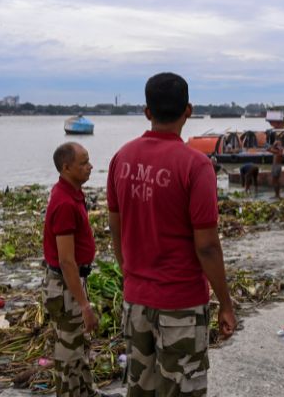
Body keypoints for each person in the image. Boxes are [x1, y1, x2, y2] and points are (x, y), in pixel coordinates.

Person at [107, 72, 236, 396]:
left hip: (135, 302)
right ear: (188, 111)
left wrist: (130, 274)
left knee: (141, 389)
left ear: (147, 111)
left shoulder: (121, 158)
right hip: (180, 304)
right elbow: (206, 246)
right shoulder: (196, 166)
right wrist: (225, 303)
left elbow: (116, 229)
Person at [42, 142, 98, 397]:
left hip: (70, 283)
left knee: (78, 344)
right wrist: (84, 305)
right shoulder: (64, 202)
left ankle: (88, 392)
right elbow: (66, 260)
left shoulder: (72, 192)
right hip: (64, 286)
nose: (90, 167)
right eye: (84, 163)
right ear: (66, 168)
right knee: (69, 353)